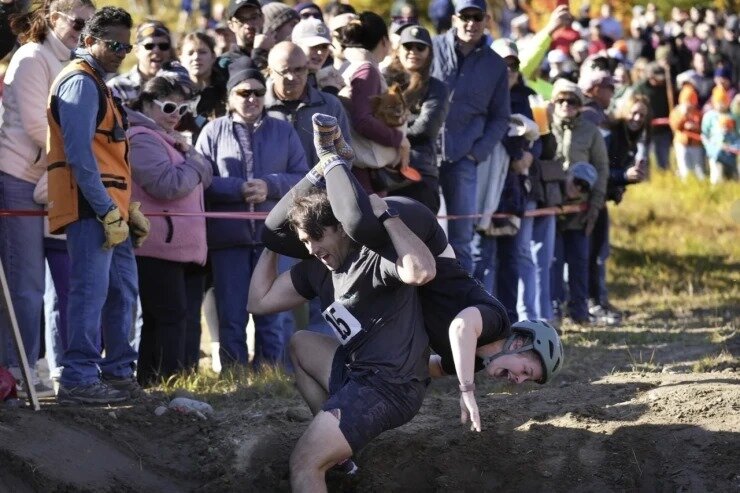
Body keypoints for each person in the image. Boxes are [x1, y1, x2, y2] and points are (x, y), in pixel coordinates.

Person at [262, 115, 564, 435]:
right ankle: (331, 155)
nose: (518, 380)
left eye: (526, 381)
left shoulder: (472, 360)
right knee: (357, 224)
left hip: (396, 259)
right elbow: (462, 327)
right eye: (526, 370)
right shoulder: (497, 321)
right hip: (417, 233)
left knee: (276, 237)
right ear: (519, 342)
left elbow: (431, 367)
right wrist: (467, 391)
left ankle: (324, 169)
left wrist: (375, 367)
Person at [249, 116, 436, 491]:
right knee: (301, 343)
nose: (312, 249)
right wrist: (269, 245)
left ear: (340, 227)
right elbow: (259, 302)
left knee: (304, 463)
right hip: (356, 374)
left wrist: (388, 218)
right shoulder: (316, 267)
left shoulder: (370, 255)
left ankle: (330, 445)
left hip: (390, 387)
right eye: (304, 242)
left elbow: (420, 272)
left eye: (318, 237)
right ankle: (341, 450)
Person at [46, 6, 150, 404]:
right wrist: (107, 209)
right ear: (88, 41)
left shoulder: (98, 83)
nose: (121, 50)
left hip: (111, 209)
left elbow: (105, 154)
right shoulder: (79, 82)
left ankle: (119, 373)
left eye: (127, 44)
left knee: (123, 292)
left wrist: (125, 209)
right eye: (113, 43)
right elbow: (79, 157)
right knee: (90, 293)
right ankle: (77, 377)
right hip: (92, 208)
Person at [0, 0, 95, 397]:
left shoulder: (79, 63)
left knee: (64, 282)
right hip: (20, 177)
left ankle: (35, 366)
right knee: (26, 284)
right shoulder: (30, 57)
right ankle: (15, 370)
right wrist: (86, 155)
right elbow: (41, 126)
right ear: (52, 17)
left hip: (57, 179)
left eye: (90, 27)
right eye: (77, 22)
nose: (82, 32)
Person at [195, 67, 308, 369]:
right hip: (228, 240)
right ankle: (233, 380)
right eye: (243, 92)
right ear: (230, 97)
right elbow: (199, 179)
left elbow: (303, 177)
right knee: (231, 315)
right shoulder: (212, 131)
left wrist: (270, 185)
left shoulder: (283, 130)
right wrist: (237, 189)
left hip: (274, 240)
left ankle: (270, 379)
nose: (252, 99)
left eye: (258, 92)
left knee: (273, 316)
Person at [127, 75, 212, 385]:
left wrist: (192, 159)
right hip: (157, 247)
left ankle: (156, 384)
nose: (177, 113)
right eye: (169, 106)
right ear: (147, 105)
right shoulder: (141, 137)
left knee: (170, 320)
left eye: (183, 107)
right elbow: (167, 184)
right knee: (167, 319)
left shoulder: (169, 139)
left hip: (177, 248)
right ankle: (166, 383)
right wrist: (196, 162)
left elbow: (205, 177)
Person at [431, 0, 511, 273]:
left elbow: (501, 117)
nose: (471, 23)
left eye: (477, 17)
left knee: (462, 240)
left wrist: (478, 153)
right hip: (423, 158)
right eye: (465, 16)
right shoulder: (431, 48)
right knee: (421, 233)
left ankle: (461, 306)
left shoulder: (496, 66)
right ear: (454, 18)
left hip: (464, 159)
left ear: (487, 20)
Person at [549, 79, 608, 325]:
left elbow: (602, 168)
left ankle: (580, 312)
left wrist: (595, 206)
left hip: (580, 210)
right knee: (552, 262)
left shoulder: (591, 132)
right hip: (550, 207)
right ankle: (553, 310)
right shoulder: (545, 128)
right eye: (560, 100)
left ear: (579, 104)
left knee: (579, 262)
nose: (566, 105)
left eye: (571, 101)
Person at [589, 93, 650, 325]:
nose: (637, 118)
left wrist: (625, 181)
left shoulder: (630, 136)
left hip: (602, 200)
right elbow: (599, 171)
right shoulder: (610, 134)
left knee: (600, 254)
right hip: (589, 201)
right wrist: (623, 176)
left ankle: (600, 300)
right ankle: (592, 303)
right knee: (591, 255)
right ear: (624, 111)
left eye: (642, 115)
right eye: (633, 113)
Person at [337, 11, 411, 193]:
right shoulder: (366, 70)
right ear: (384, 41)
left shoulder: (349, 64)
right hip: (362, 168)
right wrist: (398, 138)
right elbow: (363, 120)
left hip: (355, 162)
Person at [383, 25, 449, 213]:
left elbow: (425, 129)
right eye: (408, 46)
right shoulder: (382, 80)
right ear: (398, 49)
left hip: (419, 174)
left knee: (418, 239)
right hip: (380, 171)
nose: (413, 52)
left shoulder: (437, 88)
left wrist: (386, 130)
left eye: (420, 47)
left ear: (429, 52)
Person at [264, 41, 351, 167]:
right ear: (271, 72)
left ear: (307, 69)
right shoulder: (258, 109)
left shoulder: (329, 106)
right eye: (285, 71)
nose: (292, 77)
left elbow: (344, 154)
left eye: (298, 70)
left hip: (320, 186)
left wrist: (325, 183)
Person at [107, 20, 174, 106]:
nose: (156, 50)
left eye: (163, 46)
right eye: (149, 46)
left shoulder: (178, 87)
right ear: (137, 50)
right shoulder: (117, 88)